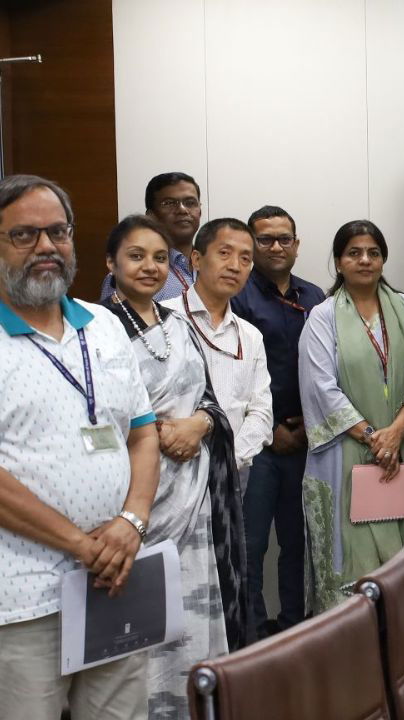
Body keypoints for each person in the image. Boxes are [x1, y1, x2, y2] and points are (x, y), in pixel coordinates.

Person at [0, 174, 160, 719]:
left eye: (58, 232)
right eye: (24, 235)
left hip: (115, 578)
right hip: (24, 598)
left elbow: (142, 433)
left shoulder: (105, 327)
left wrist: (130, 524)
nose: (47, 247)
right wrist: (80, 543)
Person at [102, 214, 245, 715]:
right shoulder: (100, 330)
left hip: (196, 496)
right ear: (111, 263)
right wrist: (155, 433)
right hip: (135, 500)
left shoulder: (177, 323)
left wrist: (200, 426)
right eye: (136, 256)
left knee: (193, 616)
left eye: (160, 258)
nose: (150, 267)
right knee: (138, 629)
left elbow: (209, 399)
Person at [299, 220, 404, 611]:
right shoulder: (323, 316)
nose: (365, 260)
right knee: (355, 558)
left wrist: (395, 433)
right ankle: (353, 652)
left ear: (383, 260)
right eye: (354, 253)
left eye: (373, 253)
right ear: (339, 262)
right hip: (347, 455)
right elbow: (321, 388)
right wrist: (373, 438)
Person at [230, 205, 325, 639]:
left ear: (297, 244)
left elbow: (326, 369)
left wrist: (309, 424)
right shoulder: (237, 296)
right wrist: (269, 432)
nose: (275, 247)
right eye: (265, 239)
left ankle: (294, 631)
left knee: (299, 544)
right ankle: (250, 641)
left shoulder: (315, 297)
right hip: (257, 444)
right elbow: (234, 375)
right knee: (251, 548)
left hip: (308, 439)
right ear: (251, 245)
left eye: (284, 238)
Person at [161, 218, 273, 476]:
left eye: (245, 259)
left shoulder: (250, 336)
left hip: (233, 473)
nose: (235, 266)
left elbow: (261, 412)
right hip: (171, 470)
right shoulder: (163, 318)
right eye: (224, 253)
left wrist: (229, 458)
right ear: (197, 259)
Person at [100, 172, 202, 303]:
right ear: (150, 216)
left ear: (200, 211)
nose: (182, 210)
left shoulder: (210, 266)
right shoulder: (129, 275)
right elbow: (114, 321)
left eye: (190, 202)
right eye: (169, 203)